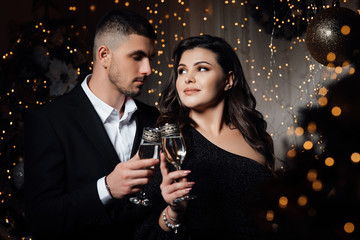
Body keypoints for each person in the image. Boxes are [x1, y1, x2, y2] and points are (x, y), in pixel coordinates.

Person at [24, 9, 160, 240]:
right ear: (104, 55)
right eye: (137, 57)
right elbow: (40, 219)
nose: (147, 69)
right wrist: (106, 189)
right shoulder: (49, 120)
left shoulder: (153, 118)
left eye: (150, 58)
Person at [136, 34, 275, 240]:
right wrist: (173, 213)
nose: (188, 78)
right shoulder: (166, 140)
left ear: (228, 80)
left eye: (201, 68)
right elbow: (142, 232)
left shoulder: (257, 137)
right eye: (182, 70)